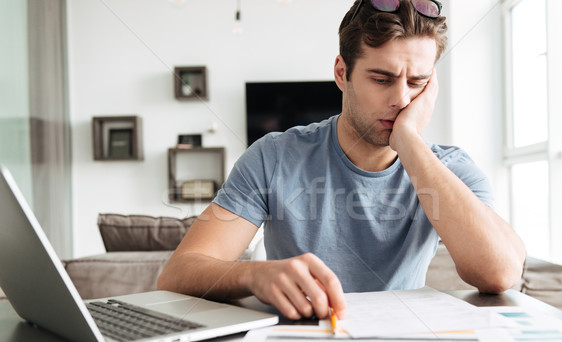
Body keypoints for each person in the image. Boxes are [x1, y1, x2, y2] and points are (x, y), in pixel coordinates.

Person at [157, 0, 526, 321]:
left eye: (417, 83)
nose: (401, 99)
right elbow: (177, 273)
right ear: (341, 74)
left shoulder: (450, 169)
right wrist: (254, 275)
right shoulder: (273, 156)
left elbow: (500, 273)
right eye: (382, 79)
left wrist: (410, 142)